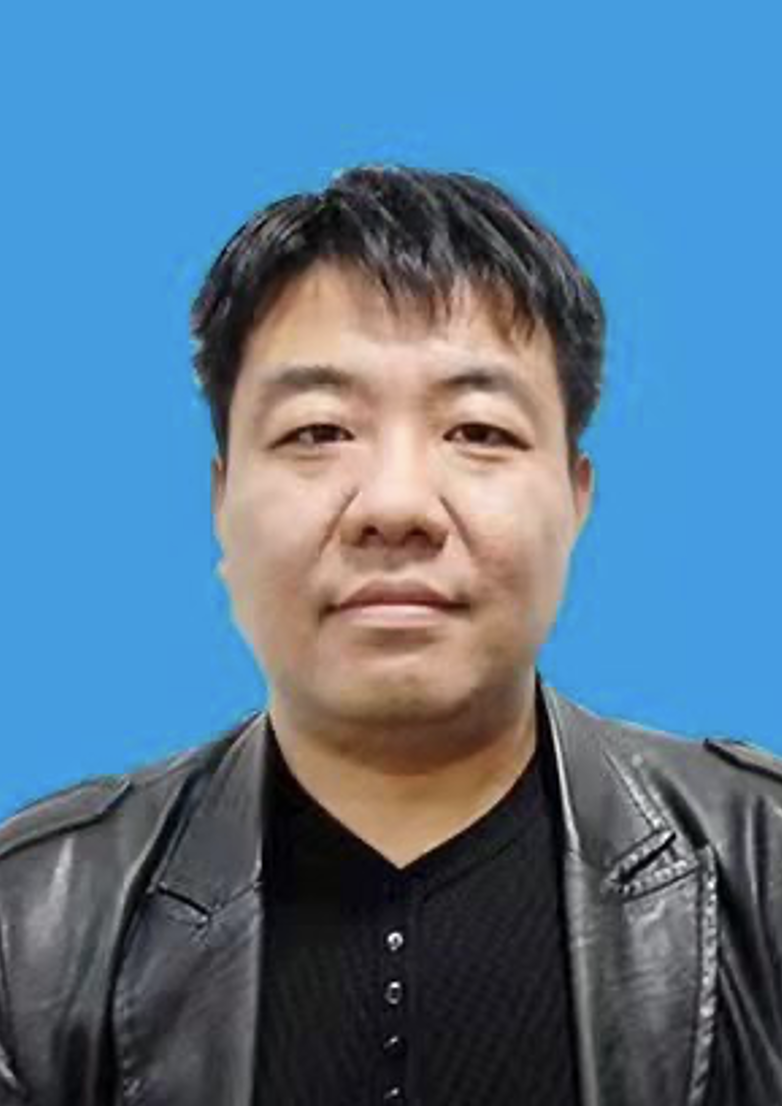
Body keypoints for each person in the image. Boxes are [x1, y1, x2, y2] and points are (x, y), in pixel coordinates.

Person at [0, 165, 780, 1106]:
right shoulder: (29, 925)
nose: (398, 505)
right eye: (320, 431)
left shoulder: (764, 864)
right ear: (221, 500)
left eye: (478, 430)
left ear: (576, 499)